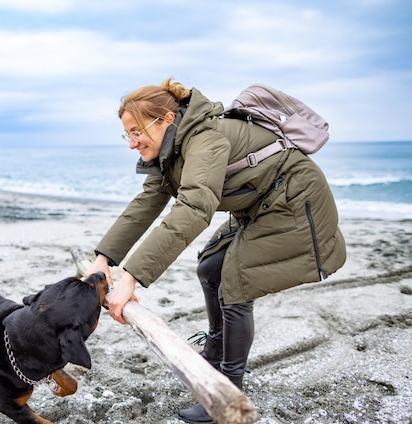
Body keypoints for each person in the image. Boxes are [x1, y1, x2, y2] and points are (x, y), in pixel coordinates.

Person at [84, 78, 346, 423]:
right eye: (126, 134)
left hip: (295, 204)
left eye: (136, 132)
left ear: (165, 120)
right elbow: (146, 203)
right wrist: (104, 260)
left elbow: (194, 208)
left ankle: (228, 387)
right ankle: (215, 356)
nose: (131, 143)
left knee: (237, 279)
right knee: (210, 267)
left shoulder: (205, 140)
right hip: (261, 205)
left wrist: (131, 278)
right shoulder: (172, 150)